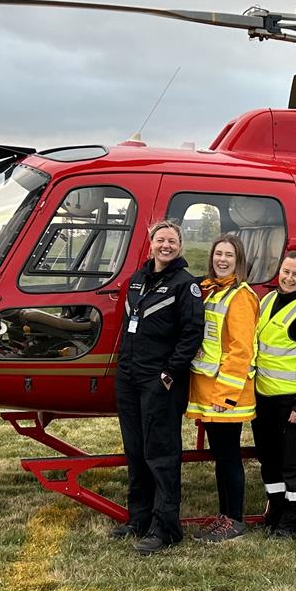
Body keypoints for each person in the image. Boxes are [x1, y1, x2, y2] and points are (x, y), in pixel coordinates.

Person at [114, 220, 203, 555]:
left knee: (161, 455)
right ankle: (138, 519)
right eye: (161, 240)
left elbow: (192, 334)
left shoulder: (185, 285)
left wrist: (169, 373)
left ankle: (166, 528)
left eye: (172, 241)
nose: (166, 245)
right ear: (150, 243)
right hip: (130, 378)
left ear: (180, 246)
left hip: (159, 381)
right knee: (136, 451)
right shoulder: (138, 280)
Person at [186, 233, 259, 543]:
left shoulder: (240, 296)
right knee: (220, 455)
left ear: (238, 261)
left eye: (229, 255)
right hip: (208, 391)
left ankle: (235, 520)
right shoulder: (210, 291)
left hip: (227, 395)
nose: (222, 259)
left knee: (228, 456)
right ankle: (225, 514)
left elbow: (241, 350)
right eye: (218, 254)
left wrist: (225, 396)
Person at [251, 249, 296, 538]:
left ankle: (293, 524)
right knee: (269, 459)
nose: (289, 277)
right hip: (263, 397)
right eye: (286, 271)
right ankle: (276, 512)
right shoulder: (267, 299)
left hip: (291, 402)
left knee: (295, 463)